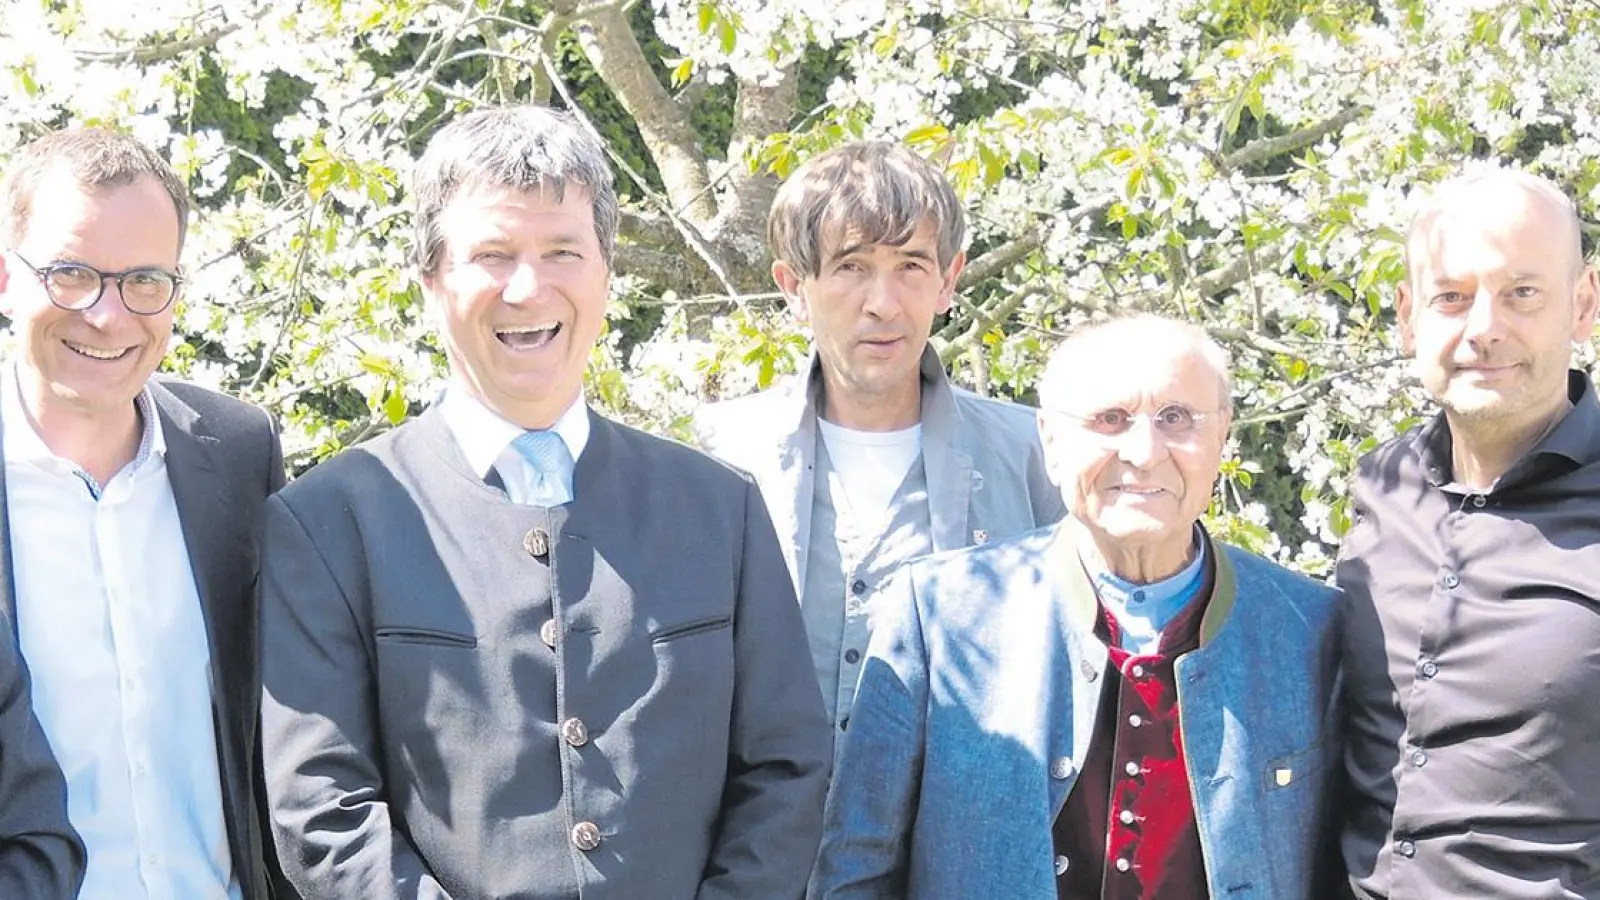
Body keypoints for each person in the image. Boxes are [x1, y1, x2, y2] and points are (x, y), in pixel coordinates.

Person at [260, 104, 831, 900]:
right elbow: (322, 806)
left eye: (563, 252)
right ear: (430, 279)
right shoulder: (328, 522)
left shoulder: (719, 508)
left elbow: (784, 767)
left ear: (606, 273)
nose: (528, 289)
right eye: (492, 255)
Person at [811, 314, 1342, 898]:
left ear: (1222, 437)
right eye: (1110, 419)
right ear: (1051, 441)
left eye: (1177, 419)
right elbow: (858, 867)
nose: (1144, 452)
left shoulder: (1309, 629)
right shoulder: (940, 614)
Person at [0, 128, 286, 898]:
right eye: (70, 274)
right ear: (5, 277)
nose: (108, 315)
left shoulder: (239, 454)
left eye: (144, 282)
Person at [696, 141, 1062, 739]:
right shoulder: (716, 457)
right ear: (794, 287)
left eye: (911, 266)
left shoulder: (1038, 457)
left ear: (948, 281)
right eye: (851, 266)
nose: (883, 305)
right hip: (766, 801)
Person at [1336, 169, 1600, 897]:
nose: (1483, 328)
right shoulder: (1381, 487)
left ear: (1583, 303)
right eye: (1451, 296)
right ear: (1408, 317)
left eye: (1522, 292)